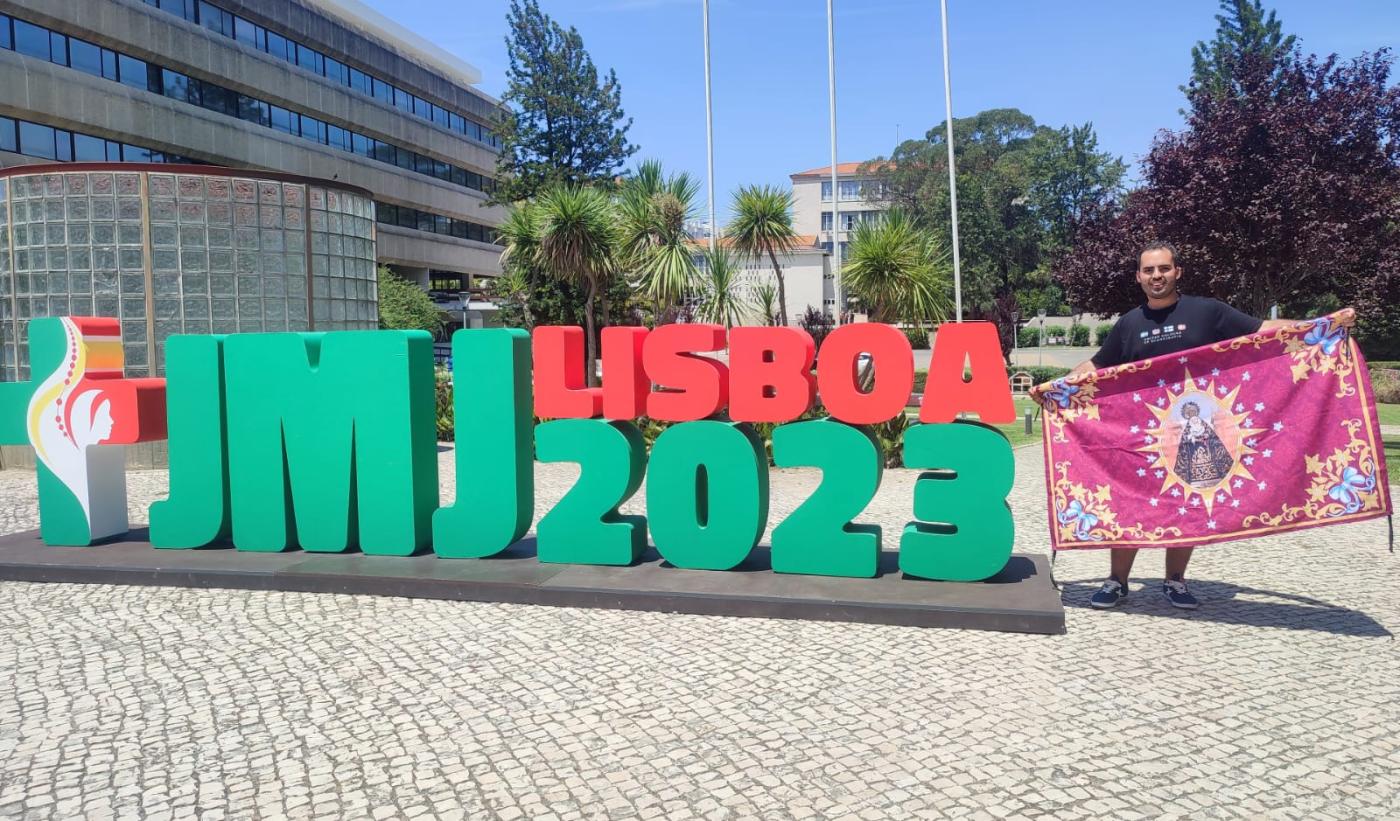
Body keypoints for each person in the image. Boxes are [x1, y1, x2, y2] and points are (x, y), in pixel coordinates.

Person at [1069, 240, 1355, 610]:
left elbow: (1264, 330)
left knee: (1186, 502)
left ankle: (1175, 582)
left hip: (1201, 433)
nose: (1157, 276)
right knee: (1130, 503)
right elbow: (1097, 366)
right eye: (1149, 270)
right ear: (1139, 277)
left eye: (1164, 269)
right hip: (1145, 434)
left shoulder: (1207, 312)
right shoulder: (1129, 324)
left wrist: (1324, 325)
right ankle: (1117, 581)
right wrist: (1055, 387)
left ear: (1177, 272)